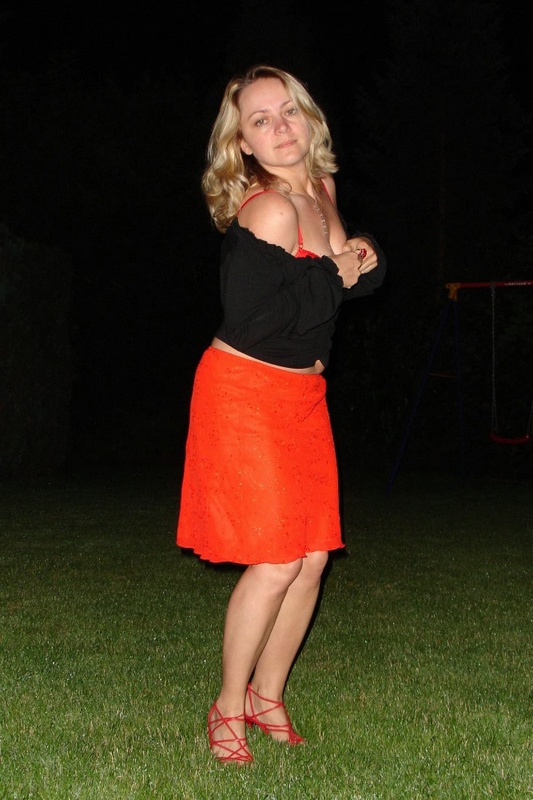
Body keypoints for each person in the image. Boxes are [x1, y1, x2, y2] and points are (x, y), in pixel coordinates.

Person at [176, 64, 386, 764]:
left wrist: (362, 258)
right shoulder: (267, 209)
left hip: (302, 396)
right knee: (275, 560)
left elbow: (335, 287)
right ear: (242, 143)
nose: (279, 127)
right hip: (245, 392)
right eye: (259, 120)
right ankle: (227, 706)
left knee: (313, 556)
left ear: (308, 116)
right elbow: (255, 319)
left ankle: (268, 696)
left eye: (287, 111)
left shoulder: (321, 190)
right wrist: (337, 272)